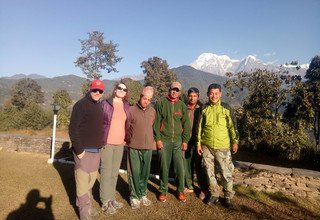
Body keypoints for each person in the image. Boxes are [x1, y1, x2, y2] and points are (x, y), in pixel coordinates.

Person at [197, 83, 239, 208]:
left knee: (226, 173)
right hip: (207, 146)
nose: (214, 96)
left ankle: (228, 197)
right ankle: (214, 194)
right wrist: (198, 143)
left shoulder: (226, 108)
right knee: (209, 172)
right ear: (208, 94)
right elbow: (199, 128)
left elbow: (233, 126)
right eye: (211, 93)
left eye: (216, 93)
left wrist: (235, 141)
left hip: (223, 146)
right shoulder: (203, 109)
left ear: (220, 94)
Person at [69, 79, 105, 220]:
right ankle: (85, 214)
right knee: (82, 183)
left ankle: (88, 207)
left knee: (90, 182)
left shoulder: (99, 105)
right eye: (95, 90)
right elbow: (73, 129)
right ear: (90, 89)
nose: (97, 92)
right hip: (83, 151)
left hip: (96, 151)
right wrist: (79, 150)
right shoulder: (81, 105)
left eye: (100, 91)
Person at [153, 81, 191, 202]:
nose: (174, 92)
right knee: (164, 167)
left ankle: (179, 190)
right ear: (169, 90)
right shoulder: (161, 103)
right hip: (164, 141)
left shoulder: (182, 106)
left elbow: (186, 125)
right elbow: (156, 123)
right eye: (173, 89)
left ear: (180, 92)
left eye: (177, 90)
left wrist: (185, 141)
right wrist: (158, 139)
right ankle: (163, 190)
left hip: (178, 142)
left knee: (180, 168)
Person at [99, 81, 130, 215]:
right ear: (115, 89)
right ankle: (105, 201)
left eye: (124, 89)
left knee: (114, 172)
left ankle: (111, 198)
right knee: (106, 172)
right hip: (107, 143)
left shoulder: (126, 106)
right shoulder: (105, 104)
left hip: (119, 144)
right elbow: (98, 122)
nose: (122, 91)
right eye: (120, 88)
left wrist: (125, 139)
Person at [127, 86, 156, 209]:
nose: (146, 101)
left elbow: (152, 126)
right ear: (140, 96)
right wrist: (130, 139)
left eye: (149, 99)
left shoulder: (152, 111)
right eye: (145, 98)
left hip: (148, 147)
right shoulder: (131, 110)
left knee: (145, 172)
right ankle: (134, 196)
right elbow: (126, 127)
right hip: (134, 146)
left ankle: (143, 194)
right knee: (134, 172)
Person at [184, 87, 208, 200]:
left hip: (198, 142)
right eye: (190, 96)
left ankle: (203, 189)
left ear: (198, 96)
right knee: (187, 164)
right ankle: (189, 185)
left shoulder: (202, 108)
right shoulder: (185, 107)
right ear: (188, 96)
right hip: (187, 140)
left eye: (194, 96)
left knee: (199, 166)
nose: (192, 98)